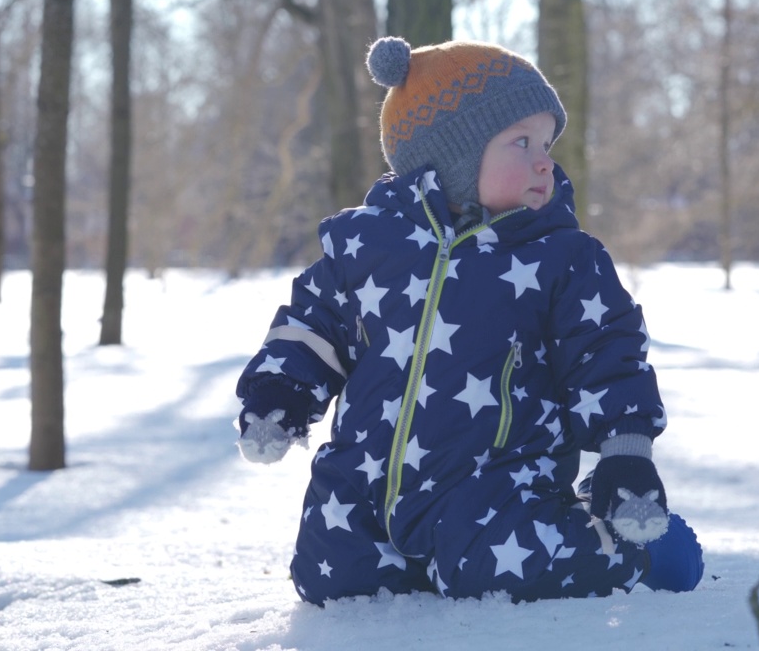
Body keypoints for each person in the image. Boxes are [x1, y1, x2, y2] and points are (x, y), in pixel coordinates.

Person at [234, 36, 703, 605]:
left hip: (495, 491)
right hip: (363, 487)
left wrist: (625, 451)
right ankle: (400, 563)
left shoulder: (559, 256)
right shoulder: (365, 245)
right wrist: (278, 390)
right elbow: (313, 326)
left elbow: (604, 353)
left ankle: (636, 548)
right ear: (452, 154)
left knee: (497, 569)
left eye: (548, 143)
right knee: (326, 578)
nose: (544, 160)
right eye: (521, 141)